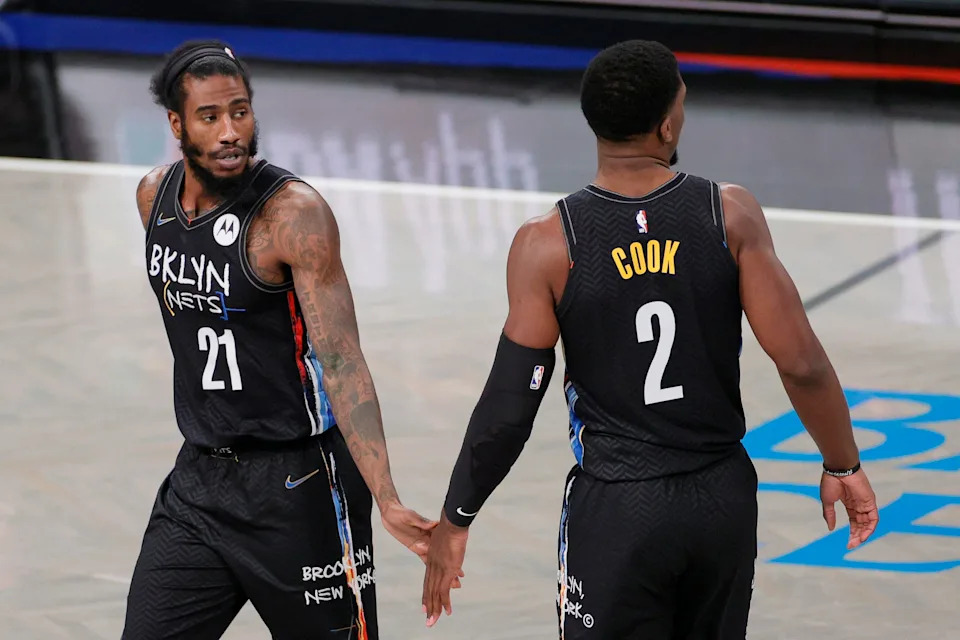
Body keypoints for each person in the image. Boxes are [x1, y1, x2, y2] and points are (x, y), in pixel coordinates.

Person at [421, 39, 880, 638]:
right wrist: (842, 463)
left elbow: (511, 404)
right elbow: (801, 364)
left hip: (617, 508)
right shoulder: (729, 215)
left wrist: (457, 518)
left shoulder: (548, 244)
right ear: (668, 123)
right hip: (721, 499)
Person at [124, 39, 436, 640]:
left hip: (301, 487)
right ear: (176, 123)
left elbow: (342, 361)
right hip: (200, 481)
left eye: (240, 111)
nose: (229, 132)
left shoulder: (291, 215)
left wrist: (387, 495)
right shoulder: (152, 198)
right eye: (210, 117)